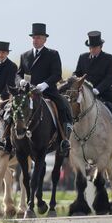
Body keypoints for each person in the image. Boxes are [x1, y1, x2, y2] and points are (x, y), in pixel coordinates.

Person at [15, 23, 72, 156]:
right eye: (34, 37)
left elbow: (57, 74)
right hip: (28, 92)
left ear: (45, 40)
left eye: (39, 38)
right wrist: (20, 81)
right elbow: (18, 74)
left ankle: (64, 138)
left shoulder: (52, 54)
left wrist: (45, 84)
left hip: (47, 91)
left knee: (63, 106)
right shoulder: (25, 55)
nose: (36, 40)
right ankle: (6, 138)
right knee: (10, 108)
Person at [74, 31, 112, 152]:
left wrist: (98, 89)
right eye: (91, 47)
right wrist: (75, 80)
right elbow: (77, 73)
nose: (92, 50)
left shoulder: (109, 58)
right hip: (85, 93)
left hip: (104, 92)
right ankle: (69, 139)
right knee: (72, 108)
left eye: (95, 47)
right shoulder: (82, 57)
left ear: (100, 47)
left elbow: (111, 77)